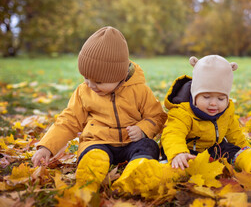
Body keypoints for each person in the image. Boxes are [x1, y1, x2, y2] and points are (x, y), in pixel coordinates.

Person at [31, 26, 167, 194]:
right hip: (97, 141)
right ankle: (88, 181)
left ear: (120, 75)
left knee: (149, 146)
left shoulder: (139, 91)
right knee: (92, 154)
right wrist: (47, 147)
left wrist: (143, 129)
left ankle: (134, 176)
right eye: (86, 77)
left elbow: (157, 116)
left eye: (99, 82)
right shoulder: (84, 92)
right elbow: (68, 120)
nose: (90, 84)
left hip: (131, 142)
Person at [161, 55, 251, 176]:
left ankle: (248, 160)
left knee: (230, 149)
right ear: (194, 96)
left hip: (212, 149)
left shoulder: (226, 111)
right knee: (182, 165)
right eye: (206, 97)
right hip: (187, 151)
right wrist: (178, 153)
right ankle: (165, 171)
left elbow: (235, 134)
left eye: (221, 98)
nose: (213, 103)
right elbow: (173, 134)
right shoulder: (182, 112)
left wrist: (246, 149)